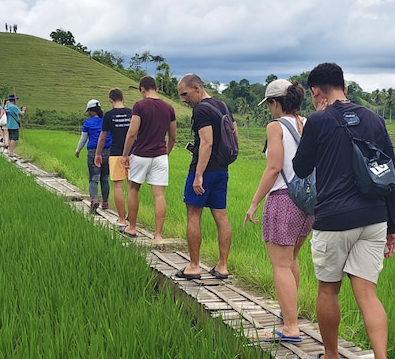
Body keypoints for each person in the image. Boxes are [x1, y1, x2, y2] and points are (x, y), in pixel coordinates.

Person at [292, 62, 395, 359]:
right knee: (367, 293)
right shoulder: (374, 119)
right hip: (374, 216)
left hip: (335, 218)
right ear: (344, 86)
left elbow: (301, 168)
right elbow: (392, 173)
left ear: (315, 92)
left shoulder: (319, 120)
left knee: (328, 290)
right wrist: (392, 227)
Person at [244, 79, 314, 341]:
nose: (269, 110)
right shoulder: (308, 123)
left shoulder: (275, 127)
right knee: (291, 260)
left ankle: (290, 327)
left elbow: (274, 167)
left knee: (280, 265)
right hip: (307, 202)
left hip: (283, 199)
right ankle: (289, 316)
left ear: (275, 102)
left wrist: (254, 202)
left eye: (269, 104)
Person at [177, 73, 236, 280]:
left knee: (193, 214)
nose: (183, 99)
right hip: (222, 170)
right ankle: (222, 266)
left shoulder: (201, 110)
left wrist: (199, 175)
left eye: (185, 94)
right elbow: (234, 133)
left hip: (203, 170)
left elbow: (207, 142)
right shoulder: (223, 106)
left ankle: (194, 266)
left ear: (196, 88)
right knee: (221, 216)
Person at [121, 76, 176, 241]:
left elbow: (132, 133)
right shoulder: (169, 107)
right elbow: (172, 136)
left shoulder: (139, 105)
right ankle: (158, 235)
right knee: (159, 195)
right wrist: (166, 152)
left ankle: (131, 227)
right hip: (160, 156)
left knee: (133, 189)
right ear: (157, 89)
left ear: (142, 89)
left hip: (141, 154)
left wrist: (125, 155)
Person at [96, 88, 132, 228]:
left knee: (118, 186)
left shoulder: (108, 115)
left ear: (110, 100)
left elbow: (103, 136)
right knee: (132, 187)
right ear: (123, 99)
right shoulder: (131, 113)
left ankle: (122, 218)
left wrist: (98, 153)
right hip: (131, 153)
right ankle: (131, 216)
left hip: (116, 153)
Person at [75, 99, 110, 213]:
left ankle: (94, 200)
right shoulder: (106, 120)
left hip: (93, 152)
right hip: (108, 151)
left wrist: (78, 150)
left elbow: (83, 139)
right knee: (104, 178)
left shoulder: (88, 123)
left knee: (94, 179)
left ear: (91, 111)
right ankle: (105, 202)